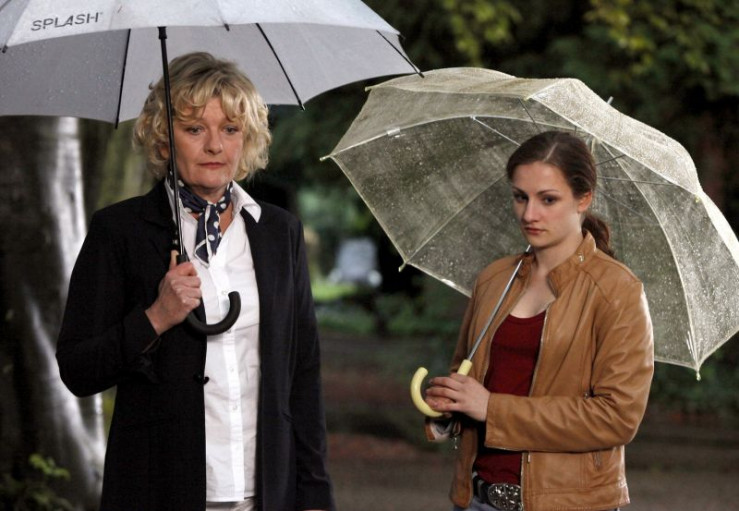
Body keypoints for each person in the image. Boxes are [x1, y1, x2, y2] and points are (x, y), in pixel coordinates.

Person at [56, 52, 334, 511]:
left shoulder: (279, 231)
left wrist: (316, 497)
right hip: (158, 491)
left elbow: (303, 376)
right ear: (164, 141)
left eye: (230, 129)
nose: (215, 146)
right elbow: (78, 369)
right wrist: (154, 318)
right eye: (194, 129)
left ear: (247, 139)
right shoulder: (120, 231)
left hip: (266, 493)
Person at [424, 131, 654, 511]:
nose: (529, 214)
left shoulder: (617, 291)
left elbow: (617, 418)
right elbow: (468, 376)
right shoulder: (495, 278)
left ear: (583, 198)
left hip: (570, 504)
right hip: (477, 500)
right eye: (520, 197)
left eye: (548, 199)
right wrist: (449, 406)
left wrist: (492, 408)